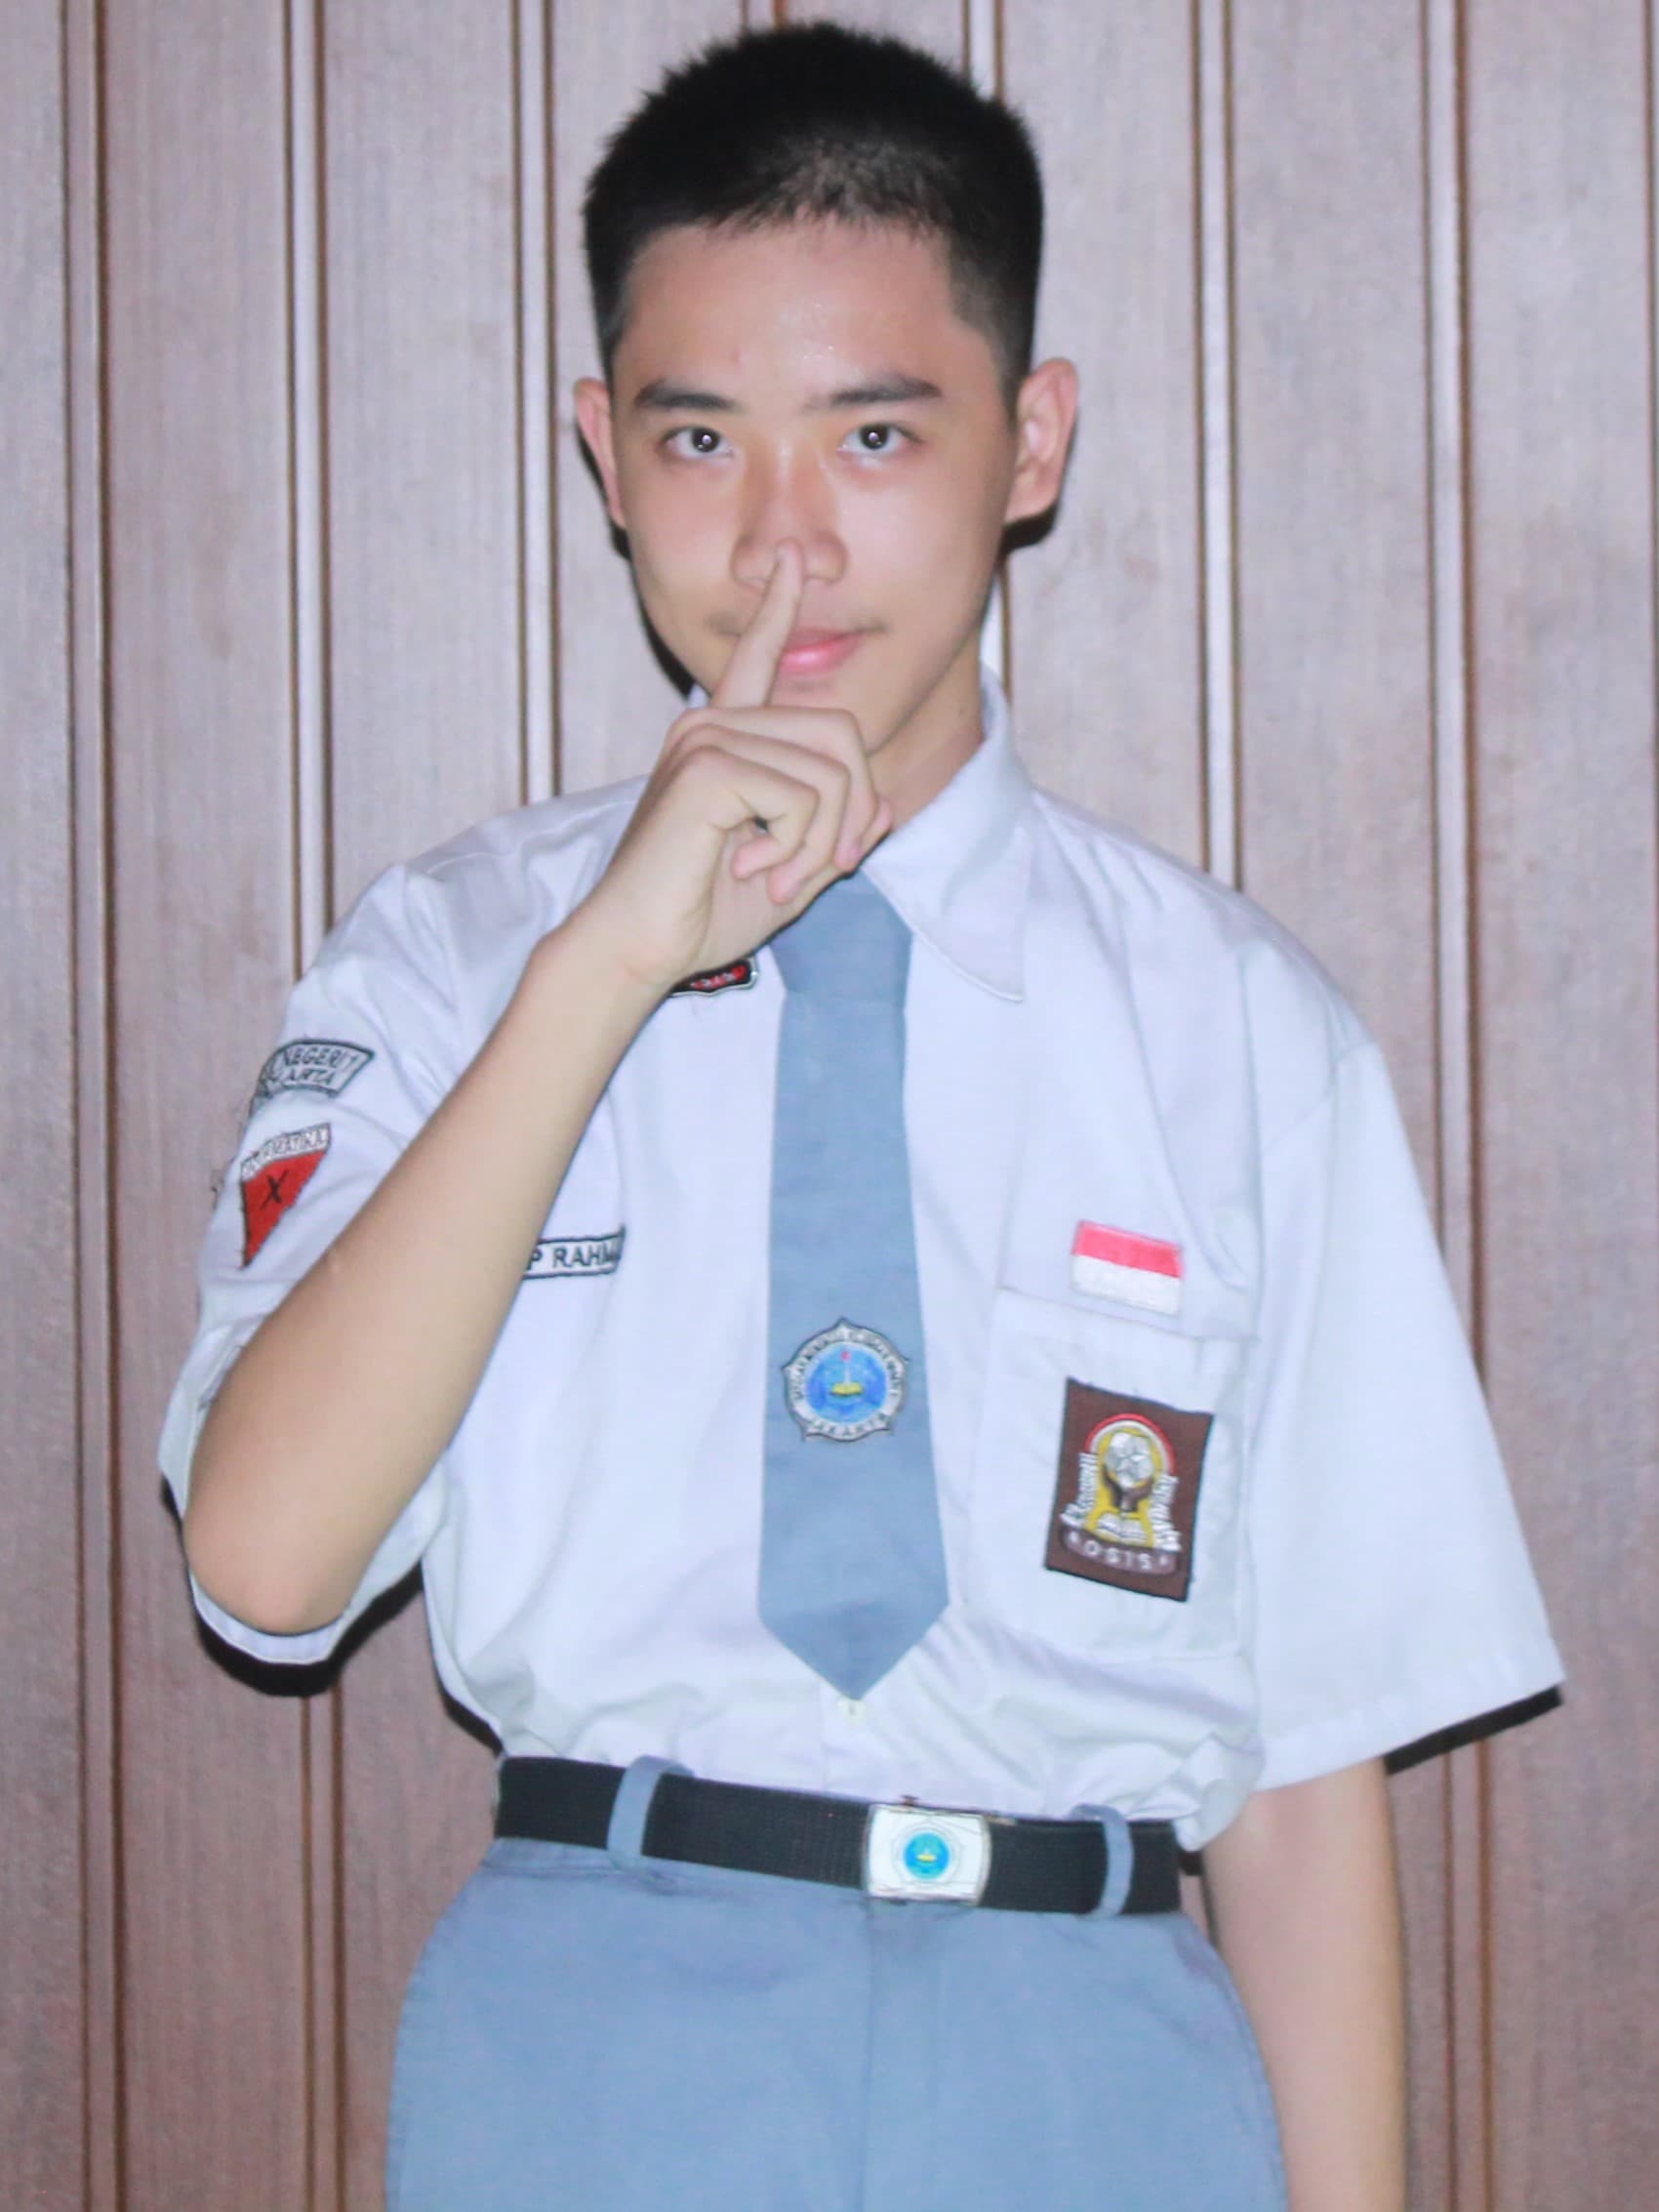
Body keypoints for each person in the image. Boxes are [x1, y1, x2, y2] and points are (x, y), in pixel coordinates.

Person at [159, 21, 1563, 2211]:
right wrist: (602, 971)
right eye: (701, 437)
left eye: (877, 433)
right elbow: (263, 1561)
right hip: (600, 2029)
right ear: (602, 453)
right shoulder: (448, 959)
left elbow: (1299, 1783)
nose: (783, 547)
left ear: (1032, 441)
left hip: (1094, 2043)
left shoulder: (1234, 1028)